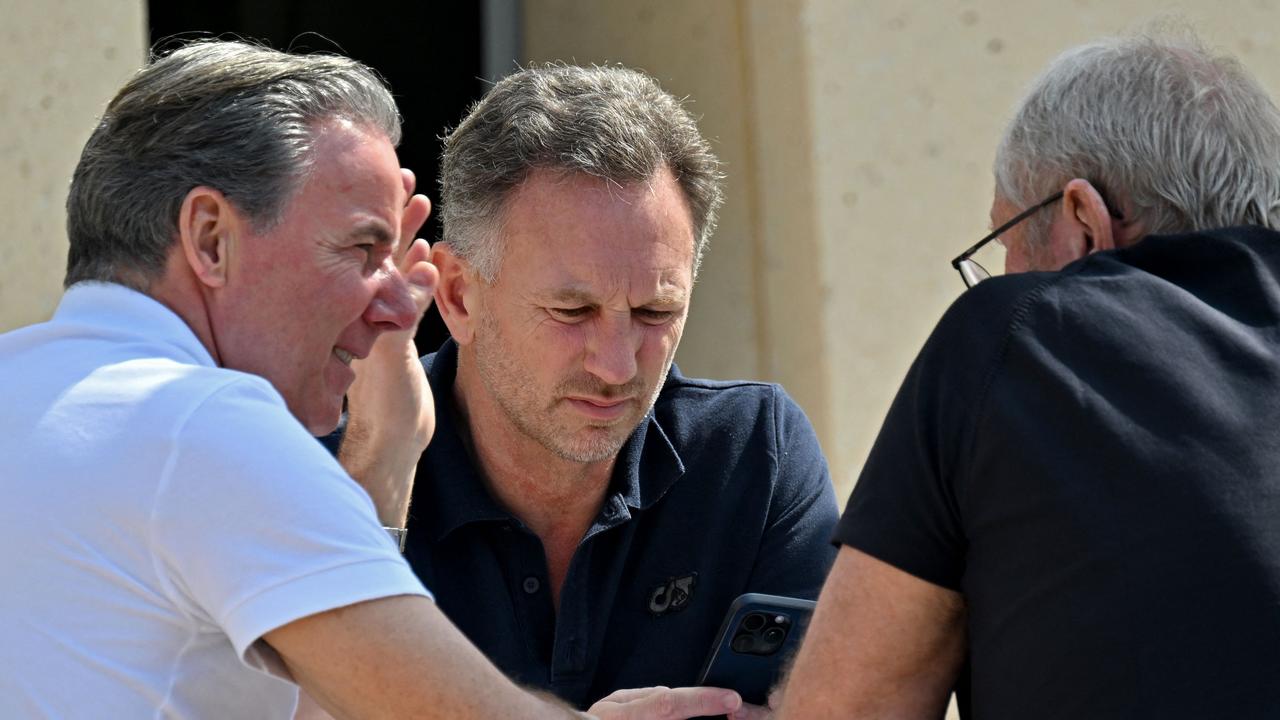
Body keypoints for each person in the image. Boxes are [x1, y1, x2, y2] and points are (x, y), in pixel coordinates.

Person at [0, 40, 751, 720]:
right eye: (363, 250)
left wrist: (387, 456)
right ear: (208, 239)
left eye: (654, 310)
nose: (399, 303)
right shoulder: (208, 425)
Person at [779, 27, 1280, 719]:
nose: (1002, 275)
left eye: (1004, 242)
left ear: (1081, 222)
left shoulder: (1018, 334)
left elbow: (849, 709)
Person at [335, 63, 839, 713]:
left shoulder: (751, 451)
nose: (618, 366)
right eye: (572, 313)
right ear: (458, 296)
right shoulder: (337, 454)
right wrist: (380, 465)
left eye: (656, 313)